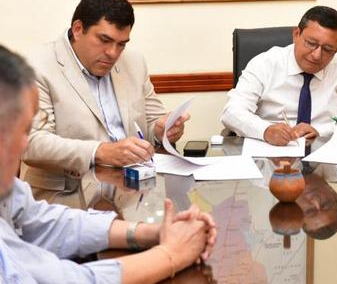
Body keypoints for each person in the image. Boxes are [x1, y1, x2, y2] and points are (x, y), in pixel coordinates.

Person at [0, 44, 217, 283]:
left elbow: (47, 222)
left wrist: (153, 233)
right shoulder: (43, 63)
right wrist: (172, 254)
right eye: (24, 130)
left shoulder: (9, 192)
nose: (24, 145)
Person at [21, 0, 188, 206]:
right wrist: (101, 152)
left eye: (121, 43)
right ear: (78, 29)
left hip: (131, 193)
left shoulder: (134, 62)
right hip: (64, 199)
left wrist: (161, 131)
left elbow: (151, 122)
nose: (113, 53)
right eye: (104, 40)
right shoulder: (35, 66)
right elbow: (32, 143)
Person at [221, 6, 337, 146]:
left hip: (325, 154)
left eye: (328, 49)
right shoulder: (265, 63)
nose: (317, 55)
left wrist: (320, 131)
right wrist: (265, 130)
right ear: (296, 34)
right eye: (311, 43)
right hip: (269, 152)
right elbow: (232, 113)